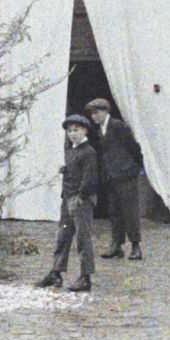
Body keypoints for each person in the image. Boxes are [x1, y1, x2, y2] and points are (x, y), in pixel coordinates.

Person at [38, 114, 100, 292]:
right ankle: (56, 272)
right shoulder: (71, 150)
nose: (72, 134)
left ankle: (85, 277)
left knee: (83, 238)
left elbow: (90, 177)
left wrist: (81, 196)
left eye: (76, 130)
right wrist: (66, 171)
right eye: (70, 131)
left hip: (80, 200)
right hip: (67, 197)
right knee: (63, 237)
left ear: (85, 131)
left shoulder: (89, 152)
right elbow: (77, 170)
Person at [86, 97, 146, 262]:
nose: (94, 117)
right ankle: (117, 244)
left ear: (105, 111)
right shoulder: (99, 131)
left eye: (96, 112)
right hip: (111, 177)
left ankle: (135, 246)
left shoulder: (118, 126)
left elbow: (134, 147)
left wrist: (137, 167)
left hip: (126, 174)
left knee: (130, 211)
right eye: (92, 114)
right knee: (114, 211)